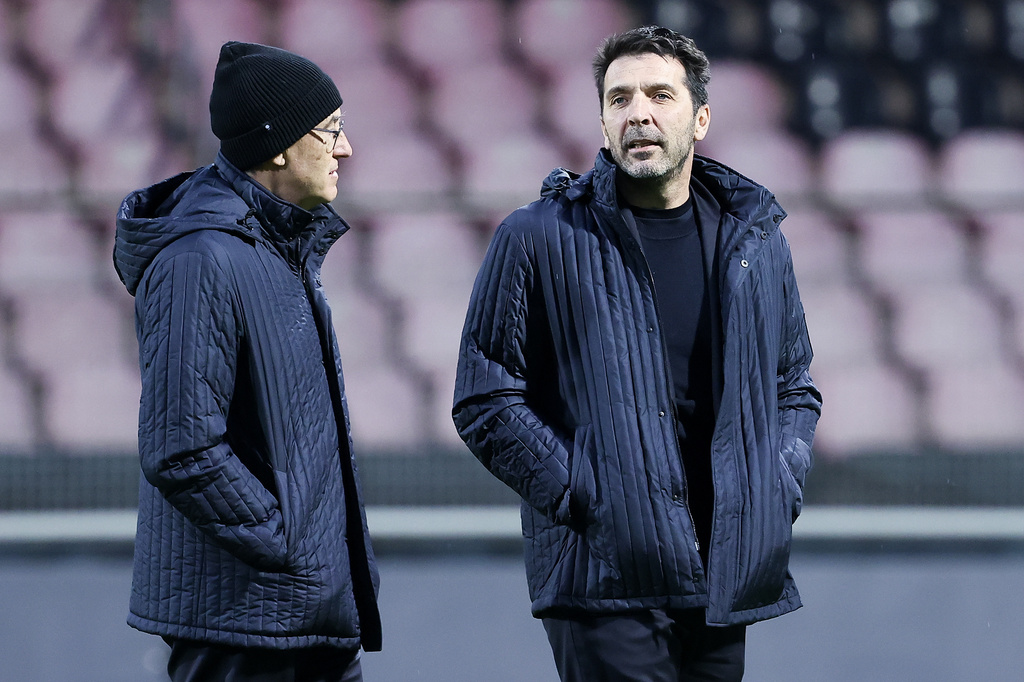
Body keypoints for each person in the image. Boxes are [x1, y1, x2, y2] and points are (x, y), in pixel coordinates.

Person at [453, 26, 821, 681]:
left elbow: (793, 384)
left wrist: (779, 478)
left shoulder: (756, 241)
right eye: (620, 99)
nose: (639, 113)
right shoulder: (535, 236)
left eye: (659, 95)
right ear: (601, 120)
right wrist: (583, 492)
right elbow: (486, 397)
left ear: (700, 117)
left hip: (722, 572)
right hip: (604, 578)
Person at [113, 42, 381, 682]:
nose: (344, 149)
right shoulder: (198, 259)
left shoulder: (276, 248)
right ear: (280, 145)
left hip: (304, 622)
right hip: (246, 629)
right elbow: (181, 447)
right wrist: (286, 545)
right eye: (332, 132)